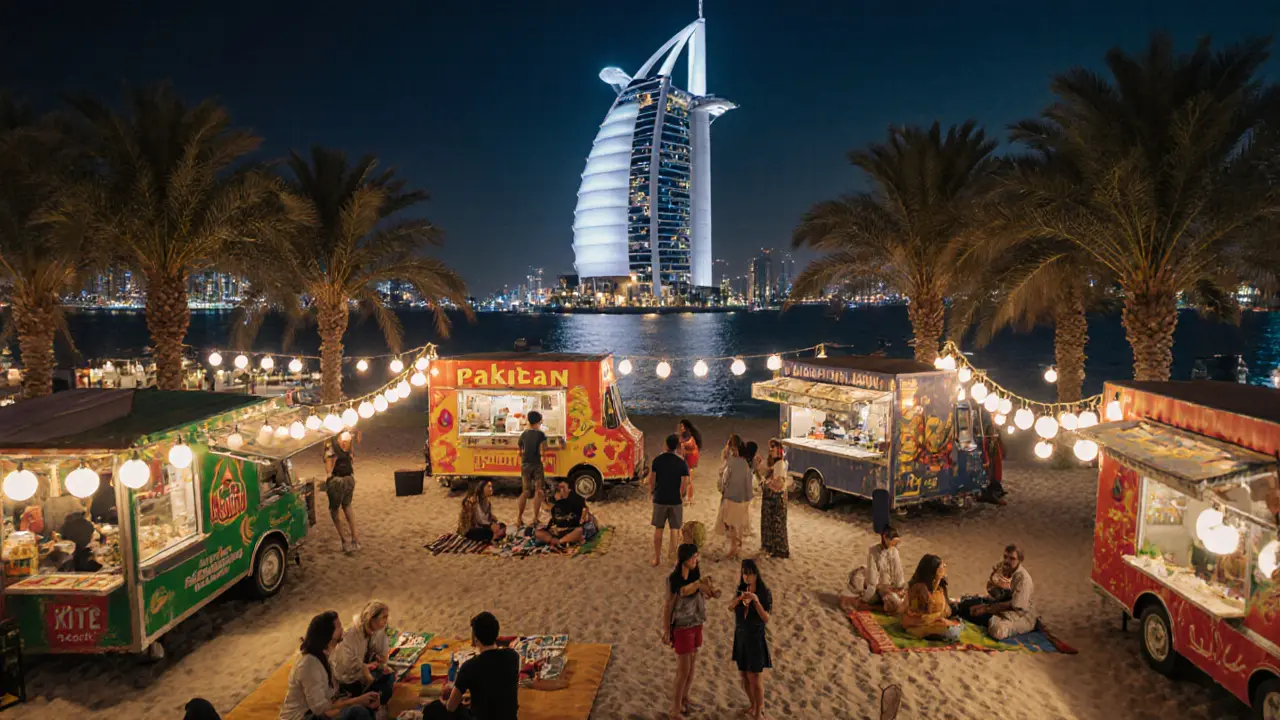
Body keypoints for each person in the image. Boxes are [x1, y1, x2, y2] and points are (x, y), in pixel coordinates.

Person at [279, 611, 378, 720]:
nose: (342, 629)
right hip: (303, 717)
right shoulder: (309, 665)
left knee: (367, 702)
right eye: (339, 626)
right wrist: (355, 701)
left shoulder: (328, 652)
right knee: (358, 711)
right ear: (328, 634)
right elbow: (320, 709)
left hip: (323, 708)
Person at [662, 543, 719, 720]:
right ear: (684, 559)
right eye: (694, 557)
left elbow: (704, 594)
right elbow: (669, 605)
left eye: (697, 556)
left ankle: (685, 698)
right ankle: (675, 709)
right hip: (682, 627)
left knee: (692, 665)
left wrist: (710, 590)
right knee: (683, 670)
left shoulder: (696, 574)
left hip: (696, 623)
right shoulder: (674, 579)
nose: (697, 559)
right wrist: (666, 630)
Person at [427, 612, 520, 720]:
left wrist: (444, 703)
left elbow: (451, 707)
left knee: (433, 709)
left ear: (475, 638)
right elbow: (506, 687)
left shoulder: (469, 667)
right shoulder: (513, 656)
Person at [961, 544, 1039, 640]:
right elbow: (995, 594)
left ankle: (990, 618)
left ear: (1020, 560)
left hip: (1021, 615)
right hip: (1002, 607)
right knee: (967, 604)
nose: (1007, 561)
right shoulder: (1003, 568)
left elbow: (1015, 605)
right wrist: (994, 584)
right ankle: (988, 617)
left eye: (1012, 559)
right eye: (1005, 557)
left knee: (997, 631)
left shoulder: (1023, 579)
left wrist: (986, 609)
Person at [332, 601, 396, 708]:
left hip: (363, 670)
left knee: (389, 674)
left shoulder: (375, 629)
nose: (386, 621)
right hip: (349, 680)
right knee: (386, 680)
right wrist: (364, 669)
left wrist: (378, 660)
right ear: (372, 619)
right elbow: (344, 665)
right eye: (383, 617)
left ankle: (377, 702)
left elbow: (382, 653)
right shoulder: (352, 635)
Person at [731, 559, 772, 720]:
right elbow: (730, 607)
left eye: (749, 573)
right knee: (744, 677)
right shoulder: (741, 589)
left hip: (755, 638)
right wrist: (739, 599)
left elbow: (766, 618)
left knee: (755, 678)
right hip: (741, 637)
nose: (746, 577)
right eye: (744, 573)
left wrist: (755, 601)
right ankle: (753, 704)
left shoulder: (763, 593)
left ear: (756, 574)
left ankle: (758, 712)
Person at [648, 434, 693, 567]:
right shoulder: (681, 462)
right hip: (675, 500)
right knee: (674, 529)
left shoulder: (657, 460)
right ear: (677, 447)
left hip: (660, 498)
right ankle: (672, 559)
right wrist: (682, 494)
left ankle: (657, 558)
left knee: (659, 528)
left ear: (666, 445)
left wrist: (652, 492)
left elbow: (652, 479)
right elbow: (686, 481)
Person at [845, 527, 907, 614]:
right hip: (877, 584)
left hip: (889, 585)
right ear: (885, 537)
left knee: (898, 601)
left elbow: (898, 571)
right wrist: (877, 587)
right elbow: (872, 574)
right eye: (893, 541)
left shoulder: (894, 551)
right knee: (871, 599)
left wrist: (899, 587)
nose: (894, 544)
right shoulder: (873, 551)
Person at [900, 555, 961, 642]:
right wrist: (938, 619)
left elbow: (946, 611)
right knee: (952, 631)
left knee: (956, 625)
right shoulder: (919, 588)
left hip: (934, 622)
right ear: (933, 570)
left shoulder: (940, 587)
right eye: (942, 565)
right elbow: (921, 614)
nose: (945, 566)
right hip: (918, 625)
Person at [325, 431, 362, 553]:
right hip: (350, 479)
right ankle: (355, 539)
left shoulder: (330, 443)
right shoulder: (348, 438)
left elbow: (329, 469)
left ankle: (344, 541)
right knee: (347, 506)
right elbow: (352, 458)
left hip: (337, 481)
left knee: (334, 510)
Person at [717, 439, 754, 561]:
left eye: (733, 449)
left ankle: (734, 548)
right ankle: (738, 543)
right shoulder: (744, 463)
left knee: (731, 524)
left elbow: (724, 479)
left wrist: (722, 489)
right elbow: (749, 480)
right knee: (737, 522)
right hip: (743, 497)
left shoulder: (732, 462)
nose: (733, 451)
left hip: (733, 497)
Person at [534, 480, 599, 547]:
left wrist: (583, 518)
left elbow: (585, 509)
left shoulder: (575, 498)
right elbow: (550, 511)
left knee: (580, 530)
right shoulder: (555, 502)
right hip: (560, 530)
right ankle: (560, 541)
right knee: (538, 532)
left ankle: (560, 542)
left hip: (573, 528)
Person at [516, 411, 547, 527]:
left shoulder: (524, 434)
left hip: (525, 465)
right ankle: (535, 518)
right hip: (537, 465)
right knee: (538, 491)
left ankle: (519, 518)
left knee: (526, 491)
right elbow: (543, 451)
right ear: (539, 422)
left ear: (528, 421)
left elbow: (519, 451)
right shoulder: (541, 435)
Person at [760, 439, 790, 558]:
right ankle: (770, 547)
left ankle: (778, 549)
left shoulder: (780, 464)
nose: (771, 449)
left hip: (776, 498)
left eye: (773, 447)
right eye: (770, 447)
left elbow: (779, 484)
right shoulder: (773, 463)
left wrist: (767, 483)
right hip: (769, 497)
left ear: (779, 449)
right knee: (769, 523)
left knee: (777, 524)